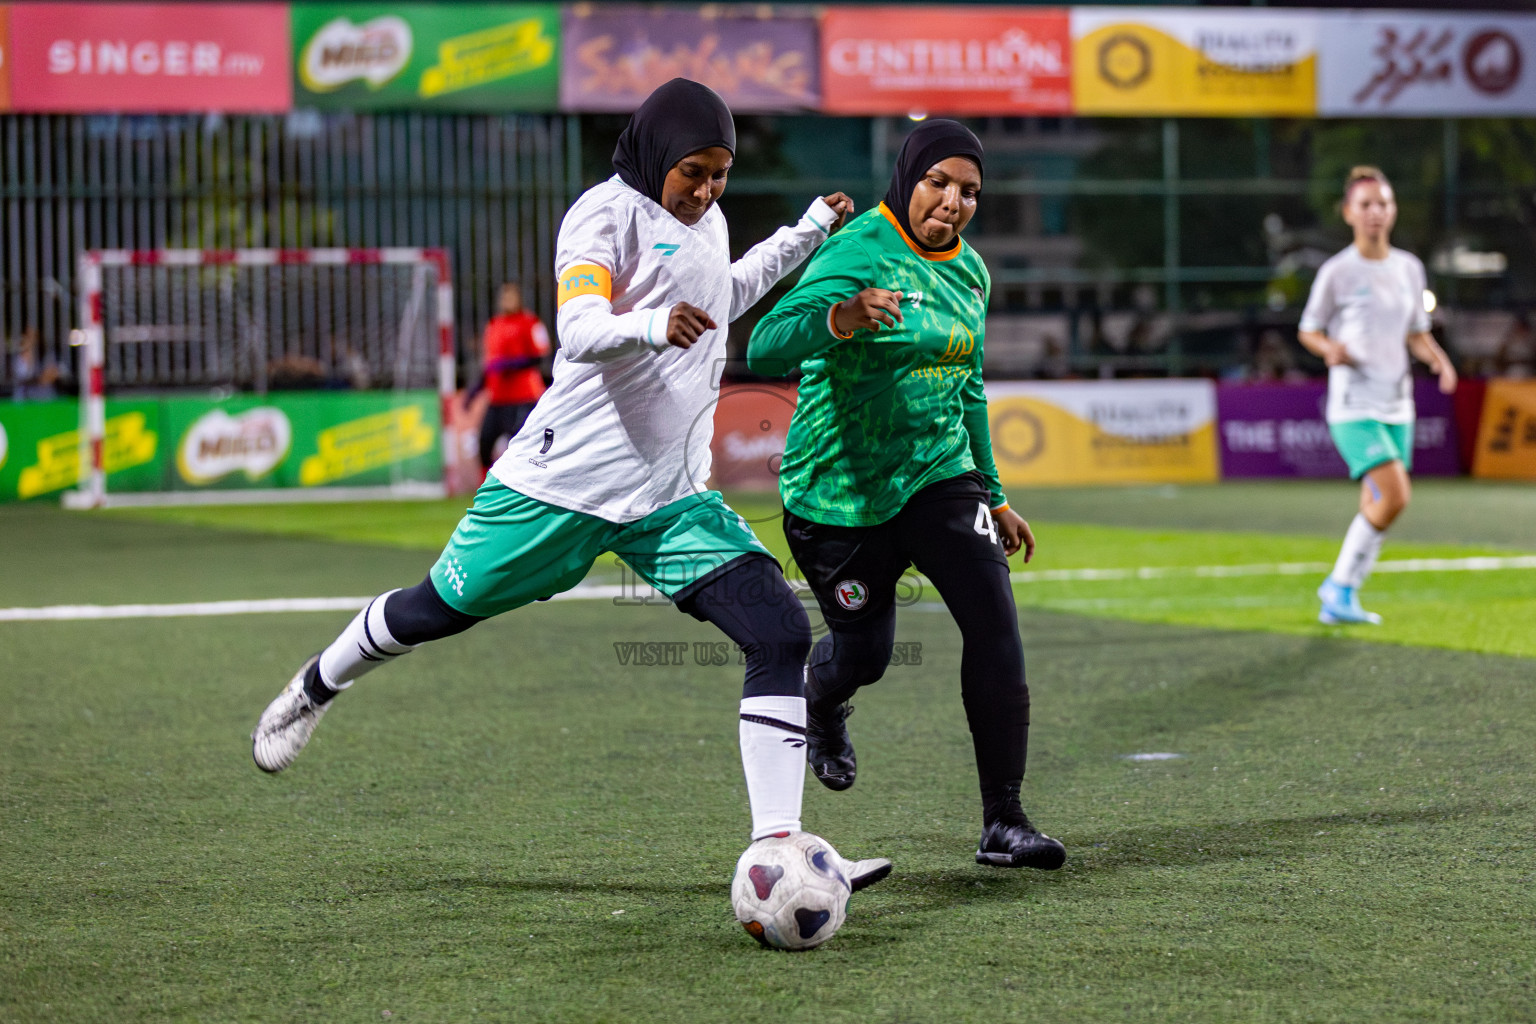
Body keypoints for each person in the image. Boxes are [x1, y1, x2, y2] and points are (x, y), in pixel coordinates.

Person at [250, 79, 889, 892]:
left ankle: (778, 846)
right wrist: (653, 325)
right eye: (693, 171)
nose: (706, 190)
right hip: (563, 484)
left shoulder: (708, 219)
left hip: (668, 497)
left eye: (720, 174)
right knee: (433, 610)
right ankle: (317, 682)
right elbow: (580, 329)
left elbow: (718, 297)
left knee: (779, 633)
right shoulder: (601, 214)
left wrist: (803, 234)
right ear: (658, 154)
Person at [747, 120, 1065, 871]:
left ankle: (1004, 821)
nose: (953, 202)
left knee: (995, 623)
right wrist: (841, 317)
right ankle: (822, 703)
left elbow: (972, 386)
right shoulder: (857, 248)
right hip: (839, 496)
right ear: (908, 178)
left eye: (970, 192)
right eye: (939, 183)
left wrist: (995, 491)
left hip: (939, 477)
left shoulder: (973, 274)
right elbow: (763, 343)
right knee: (865, 656)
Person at [1298, 166, 1457, 625]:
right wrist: (1329, 348)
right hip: (1353, 404)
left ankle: (1340, 598)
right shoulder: (1337, 272)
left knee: (1377, 503)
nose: (1375, 213)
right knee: (1396, 496)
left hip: (1397, 403)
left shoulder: (1408, 267)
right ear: (1349, 213)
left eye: (1383, 203)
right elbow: (1308, 329)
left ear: (1393, 210)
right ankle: (1340, 585)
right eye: (1366, 205)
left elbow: (1416, 332)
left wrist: (1439, 360)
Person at [476, 282, 551, 470]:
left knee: (520, 444)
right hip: (498, 397)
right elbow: (489, 365)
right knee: (484, 442)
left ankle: (523, 484)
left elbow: (540, 356)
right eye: (504, 297)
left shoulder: (530, 322)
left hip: (523, 396)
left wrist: (512, 364)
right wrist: (475, 390)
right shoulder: (494, 325)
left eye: (510, 296)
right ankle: (485, 485)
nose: (506, 301)